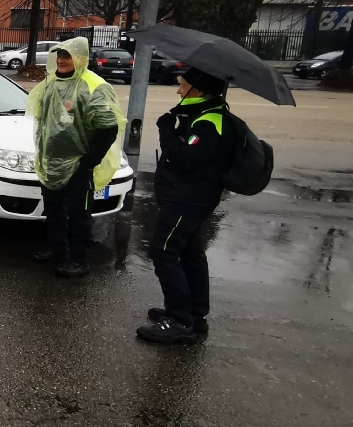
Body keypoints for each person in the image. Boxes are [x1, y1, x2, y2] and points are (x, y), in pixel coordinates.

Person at [138, 69, 236, 344]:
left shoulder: (209, 121)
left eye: (183, 86)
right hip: (189, 195)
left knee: (164, 251)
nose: (179, 91)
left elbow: (183, 158)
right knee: (191, 251)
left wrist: (167, 132)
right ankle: (194, 313)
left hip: (188, 198)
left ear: (198, 89)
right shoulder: (200, 115)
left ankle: (180, 320)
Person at [26, 37, 125, 278]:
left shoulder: (93, 85)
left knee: (79, 214)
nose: (61, 60)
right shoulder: (52, 83)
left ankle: (79, 259)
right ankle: (57, 249)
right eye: (59, 55)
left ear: (80, 58)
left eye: (67, 56)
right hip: (51, 161)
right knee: (53, 210)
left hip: (78, 164)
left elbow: (108, 127)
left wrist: (87, 163)